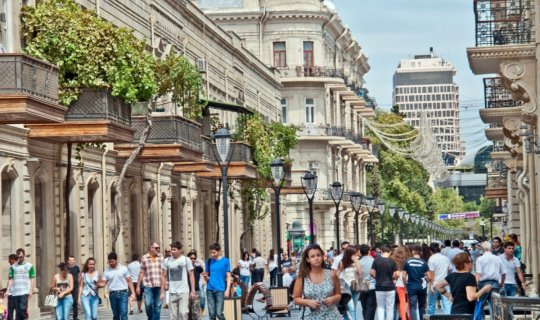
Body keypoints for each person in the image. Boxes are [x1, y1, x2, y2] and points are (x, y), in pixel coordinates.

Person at [292, 243, 342, 319]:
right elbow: (296, 298)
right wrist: (307, 302)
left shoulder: (332, 274)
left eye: (318, 255)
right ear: (308, 259)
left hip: (331, 316)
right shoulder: (302, 277)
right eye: (312, 256)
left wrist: (333, 298)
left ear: (322, 256)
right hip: (309, 316)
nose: (316, 258)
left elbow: (338, 294)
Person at [161, 241, 196, 320]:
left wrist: (193, 291)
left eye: (174, 250)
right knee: (172, 316)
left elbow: (191, 275)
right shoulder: (167, 261)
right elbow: (163, 276)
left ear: (179, 250)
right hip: (172, 291)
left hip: (184, 292)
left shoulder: (186, 260)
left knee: (183, 313)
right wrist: (162, 291)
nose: (172, 252)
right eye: (171, 250)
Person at [100, 252, 136, 320]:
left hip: (123, 293)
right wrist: (97, 285)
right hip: (112, 294)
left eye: (112, 261)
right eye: (109, 262)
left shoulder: (123, 268)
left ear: (116, 260)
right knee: (116, 315)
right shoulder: (107, 271)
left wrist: (133, 293)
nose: (110, 263)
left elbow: (129, 281)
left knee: (123, 314)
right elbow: (103, 283)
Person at [475, 241, 506, 319]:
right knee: (495, 306)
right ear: (491, 248)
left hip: (482, 284)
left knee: (481, 305)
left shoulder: (480, 259)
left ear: (482, 249)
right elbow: (504, 272)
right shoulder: (497, 258)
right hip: (495, 284)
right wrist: (502, 283)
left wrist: (476, 284)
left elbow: (478, 273)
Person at [403, 245, 432, 320]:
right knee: (422, 306)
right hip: (422, 287)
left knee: (413, 307)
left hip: (411, 287)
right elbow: (429, 277)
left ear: (412, 251)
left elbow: (403, 277)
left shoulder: (407, 262)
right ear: (421, 252)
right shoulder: (424, 262)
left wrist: (405, 286)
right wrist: (426, 282)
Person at [203, 243, 231, 320]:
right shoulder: (208, 261)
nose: (212, 254)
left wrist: (227, 290)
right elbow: (207, 277)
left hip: (220, 289)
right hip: (209, 290)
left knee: (219, 313)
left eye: (214, 252)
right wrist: (205, 278)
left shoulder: (225, 261)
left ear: (219, 251)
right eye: (211, 252)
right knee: (212, 314)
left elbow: (228, 276)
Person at [6, 248, 36, 320]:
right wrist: (7, 290)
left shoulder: (29, 266)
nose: (20, 258)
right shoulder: (13, 267)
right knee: (18, 312)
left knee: (22, 308)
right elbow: (11, 279)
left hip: (24, 292)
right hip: (15, 293)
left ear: (24, 255)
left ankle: (25, 318)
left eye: (21, 257)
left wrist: (31, 290)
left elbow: (32, 278)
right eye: (18, 257)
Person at [137, 242, 164, 320]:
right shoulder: (144, 258)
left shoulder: (161, 257)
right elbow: (141, 272)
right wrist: (138, 286)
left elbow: (165, 272)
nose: (158, 249)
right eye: (156, 248)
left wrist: (166, 283)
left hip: (159, 285)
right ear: (151, 248)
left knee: (157, 306)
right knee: (148, 304)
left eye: (159, 248)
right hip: (148, 285)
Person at [371, 245, 398, 320]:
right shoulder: (392, 261)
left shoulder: (376, 260)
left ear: (381, 251)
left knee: (380, 307)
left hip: (379, 286)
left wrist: (376, 277)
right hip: (390, 286)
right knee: (390, 308)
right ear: (390, 252)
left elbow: (372, 272)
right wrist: (393, 277)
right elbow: (397, 274)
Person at [337, 246, 362, 320]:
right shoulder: (343, 262)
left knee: (353, 307)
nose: (356, 255)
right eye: (354, 254)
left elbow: (360, 272)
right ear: (349, 254)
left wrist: (356, 261)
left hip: (355, 286)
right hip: (346, 288)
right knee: (351, 308)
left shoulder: (357, 261)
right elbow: (337, 274)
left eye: (356, 253)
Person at [427, 242, 452, 315]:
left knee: (431, 304)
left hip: (435, 284)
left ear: (430, 250)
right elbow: (450, 269)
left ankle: (430, 317)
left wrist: (431, 285)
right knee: (447, 304)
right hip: (445, 284)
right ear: (439, 249)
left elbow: (432, 273)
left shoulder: (431, 259)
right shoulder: (445, 258)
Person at [390, 245, 411, 320]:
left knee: (401, 302)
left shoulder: (394, 260)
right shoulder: (409, 260)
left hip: (399, 284)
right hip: (409, 283)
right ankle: (409, 317)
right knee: (408, 302)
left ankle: (403, 317)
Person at [358, 244, 376, 320]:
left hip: (362, 285)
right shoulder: (373, 260)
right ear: (369, 251)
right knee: (371, 307)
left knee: (364, 306)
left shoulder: (359, 262)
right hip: (372, 285)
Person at [187, 250, 204, 318]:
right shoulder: (185, 269)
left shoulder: (197, 268)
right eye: (191, 258)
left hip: (196, 291)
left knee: (196, 312)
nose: (193, 260)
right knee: (188, 312)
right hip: (186, 291)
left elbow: (202, 268)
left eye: (194, 258)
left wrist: (198, 261)